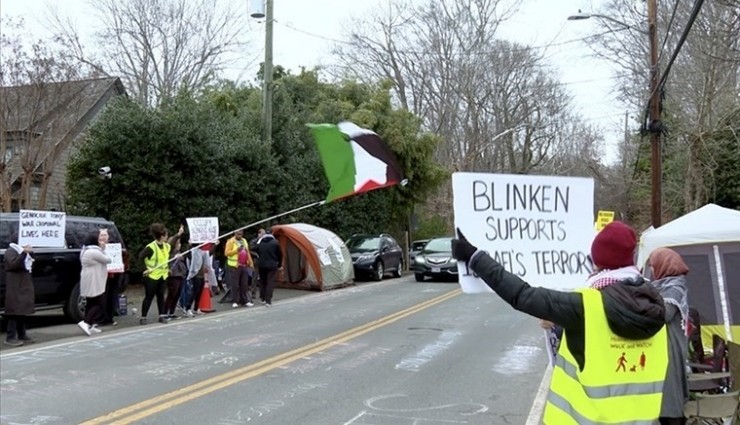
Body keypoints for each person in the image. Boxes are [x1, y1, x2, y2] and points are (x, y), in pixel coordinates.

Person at [451, 221, 668, 424]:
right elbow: (605, 353)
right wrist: (560, 326)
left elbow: (522, 295)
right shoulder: (656, 306)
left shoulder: (585, 305)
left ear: (598, 261)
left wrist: (474, 257)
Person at [648, 247, 690, 425]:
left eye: (652, 265)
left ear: (662, 265)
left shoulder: (675, 287)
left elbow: (663, 313)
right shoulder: (662, 286)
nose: (651, 269)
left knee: (670, 396)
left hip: (669, 349)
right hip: (661, 350)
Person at [138, 223, 183, 325]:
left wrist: (178, 234)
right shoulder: (151, 247)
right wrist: (144, 269)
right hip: (152, 276)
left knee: (161, 296)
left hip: (163, 275)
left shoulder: (166, 246)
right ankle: (143, 317)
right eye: (166, 235)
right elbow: (140, 257)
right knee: (149, 296)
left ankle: (161, 315)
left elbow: (172, 243)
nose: (167, 237)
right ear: (162, 236)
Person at [78, 230, 112, 336]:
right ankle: (86, 322)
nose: (100, 241)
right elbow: (108, 259)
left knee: (91, 302)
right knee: (98, 302)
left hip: (89, 278)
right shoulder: (93, 252)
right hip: (94, 280)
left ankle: (91, 325)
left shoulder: (85, 250)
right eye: (99, 239)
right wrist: (103, 249)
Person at [3, 233, 35, 347]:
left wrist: (30, 252)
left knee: (22, 310)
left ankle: (22, 334)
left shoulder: (22, 250)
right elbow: (13, 264)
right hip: (15, 284)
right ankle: (10, 336)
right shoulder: (10, 251)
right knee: (14, 311)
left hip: (23, 283)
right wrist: (23, 253)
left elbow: (31, 262)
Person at [224, 230, 253, 308]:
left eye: (241, 234)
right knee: (235, 284)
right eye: (238, 234)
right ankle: (235, 301)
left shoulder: (244, 240)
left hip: (244, 265)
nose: (239, 235)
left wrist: (250, 262)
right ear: (235, 234)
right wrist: (236, 251)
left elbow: (247, 252)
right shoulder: (231, 242)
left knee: (244, 284)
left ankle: (245, 300)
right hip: (234, 265)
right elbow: (226, 253)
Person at [255, 229, 282, 307]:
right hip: (272, 265)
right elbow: (280, 255)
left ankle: (262, 298)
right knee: (270, 282)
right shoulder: (275, 243)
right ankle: (268, 300)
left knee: (262, 281)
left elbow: (256, 250)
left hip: (262, 265)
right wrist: (279, 264)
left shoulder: (260, 243)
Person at [164, 237, 187, 320]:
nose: (179, 245)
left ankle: (171, 312)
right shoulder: (169, 252)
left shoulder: (178, 252)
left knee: (177, 295)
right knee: (171, 294)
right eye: (178, 243)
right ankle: (165, 312)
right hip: (173, 275)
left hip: (180, 275)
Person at [185, 241, 210, 315]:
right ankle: (188, 308)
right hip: (195, 275)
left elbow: (208, 255)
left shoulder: (202, 251)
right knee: (194, 292)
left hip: (201, 274)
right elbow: (189, 257)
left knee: (199, 293)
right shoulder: (193, 251)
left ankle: (196, 308)